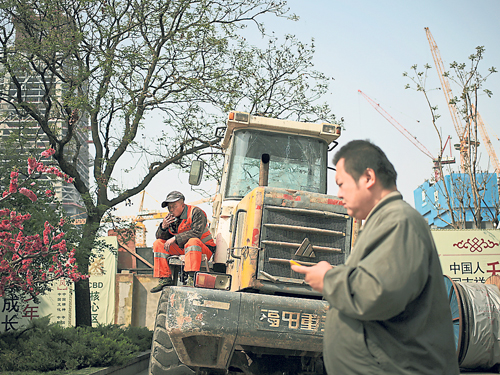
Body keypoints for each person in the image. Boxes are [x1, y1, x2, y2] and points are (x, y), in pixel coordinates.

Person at [292, 140, 459, 374]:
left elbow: (378, 294)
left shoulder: (399, 221)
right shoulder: (383, 222)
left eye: (342, 184)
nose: (339, 193)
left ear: (368, 178)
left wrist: (329, 278)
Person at [150, 191, 216, 293]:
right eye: (169, 207)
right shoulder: (171, 218)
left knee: (193, 241)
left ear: (182, 205)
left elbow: (196, 233)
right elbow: (162, 238)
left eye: (174, 206)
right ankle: (165, 278)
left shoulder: (196, 212)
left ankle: (191, 277)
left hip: (203, 249)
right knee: (158, 244)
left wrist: (175, 238)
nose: (171, 210)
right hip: (185, 249)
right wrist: (163, 227)